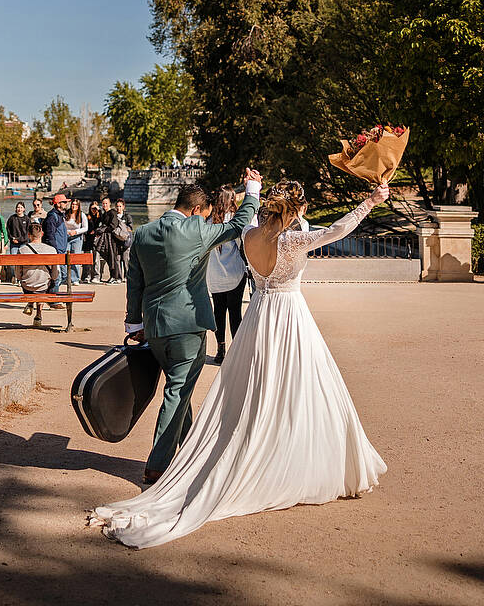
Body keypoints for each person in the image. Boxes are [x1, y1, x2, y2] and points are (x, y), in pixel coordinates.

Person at [91, 177, 387, 550]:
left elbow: (239, 224)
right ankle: (273, 457)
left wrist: (252, 194)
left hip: (258, 318)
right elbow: (340, 229)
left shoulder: (248, 237)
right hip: (289, 317)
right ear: (297, 211)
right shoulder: (293, 241)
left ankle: (208, 451)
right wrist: (372, 201)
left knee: (250, 391)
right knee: (302, 388)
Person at [106, 171, 261, 492]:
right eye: (204, 214)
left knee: (182, 390)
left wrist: (134, 324)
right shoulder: (197, 230)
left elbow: (134, 282)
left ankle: (191, 451)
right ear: (195, 210)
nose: (206, 218)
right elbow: (239, 224)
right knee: (178, 391)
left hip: (155, 326)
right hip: (187, 325)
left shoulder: (144, 233)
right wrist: (252, 189)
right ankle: (157, 466)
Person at [204, 186, 248, 362]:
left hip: (214, 275)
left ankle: (220, 350)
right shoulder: (235, 222)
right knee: (235, 313)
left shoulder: (209, 222)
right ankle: (236, 351)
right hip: (234, 273)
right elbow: (242, 245)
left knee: (219, 312)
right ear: (231, 200)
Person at [16, 222, 58, 321]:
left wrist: (21, 278)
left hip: (27, 286)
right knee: (44, 282)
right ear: (42, 234)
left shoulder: (22, 250)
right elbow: (55, 275)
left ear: (28, 235)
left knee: (31, 281)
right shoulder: (51, 250)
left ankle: (31, 303)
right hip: (43, 286)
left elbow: (18, 275)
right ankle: (38, 314)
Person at [42, 193, 71, 304]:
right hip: (56, 251)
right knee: (57, 277)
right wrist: (55, 251)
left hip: (61, 250)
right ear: (58, 204)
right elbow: (50, 235)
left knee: (61, 276)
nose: (66, 203)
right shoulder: (52, 216)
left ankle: (50, 296)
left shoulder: (59, 215)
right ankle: (52, 300)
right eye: (64, 202)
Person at [95, 196, 122, 282]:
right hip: (106, 238)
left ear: (110, 204)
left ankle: (115, 277)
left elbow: (113, 225)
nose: (105, 205)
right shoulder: (104, 213)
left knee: (113, 257)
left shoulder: (112, 212)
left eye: (106, 203)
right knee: (108, 256)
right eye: (103, 203)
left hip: (112, 238)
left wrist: (102, 230)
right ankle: (113, 276)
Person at [5, 201, 30, 284]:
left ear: (24, 209)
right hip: (14, 243)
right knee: (13, 262)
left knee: (23, 261)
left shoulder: (27, 219)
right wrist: (11, 238)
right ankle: (15, 276)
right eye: (18, 207)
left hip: (24, 243)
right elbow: (8, 230)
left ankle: (22, 278)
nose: (19, 209)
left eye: (21, 207)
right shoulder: (12, 218)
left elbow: (28, 232)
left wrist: (20, 240)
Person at [65, 200, 87, 285]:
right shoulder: (66, 213)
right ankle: (67, 278)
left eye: (75, 205)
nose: (73, 206)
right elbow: (63, 225)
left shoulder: (82, 215)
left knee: (75, 258)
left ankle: (75, 279)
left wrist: (76, 232)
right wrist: (67, 231)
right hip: (67, 237)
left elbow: (85, 228)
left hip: (77, 238)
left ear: (78, 206)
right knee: (66, 257)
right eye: (72, 204)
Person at [83, 202, 103, 283]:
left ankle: (96, 276)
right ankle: (86, 276)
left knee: (96, 259)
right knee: (87, 259)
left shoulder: (99, 216)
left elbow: (103, 223)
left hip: (96, 239)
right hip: (88, 239)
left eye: (95, 208)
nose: (94, 210)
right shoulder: (87, 216)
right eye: (92, 208)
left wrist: (99, 210)